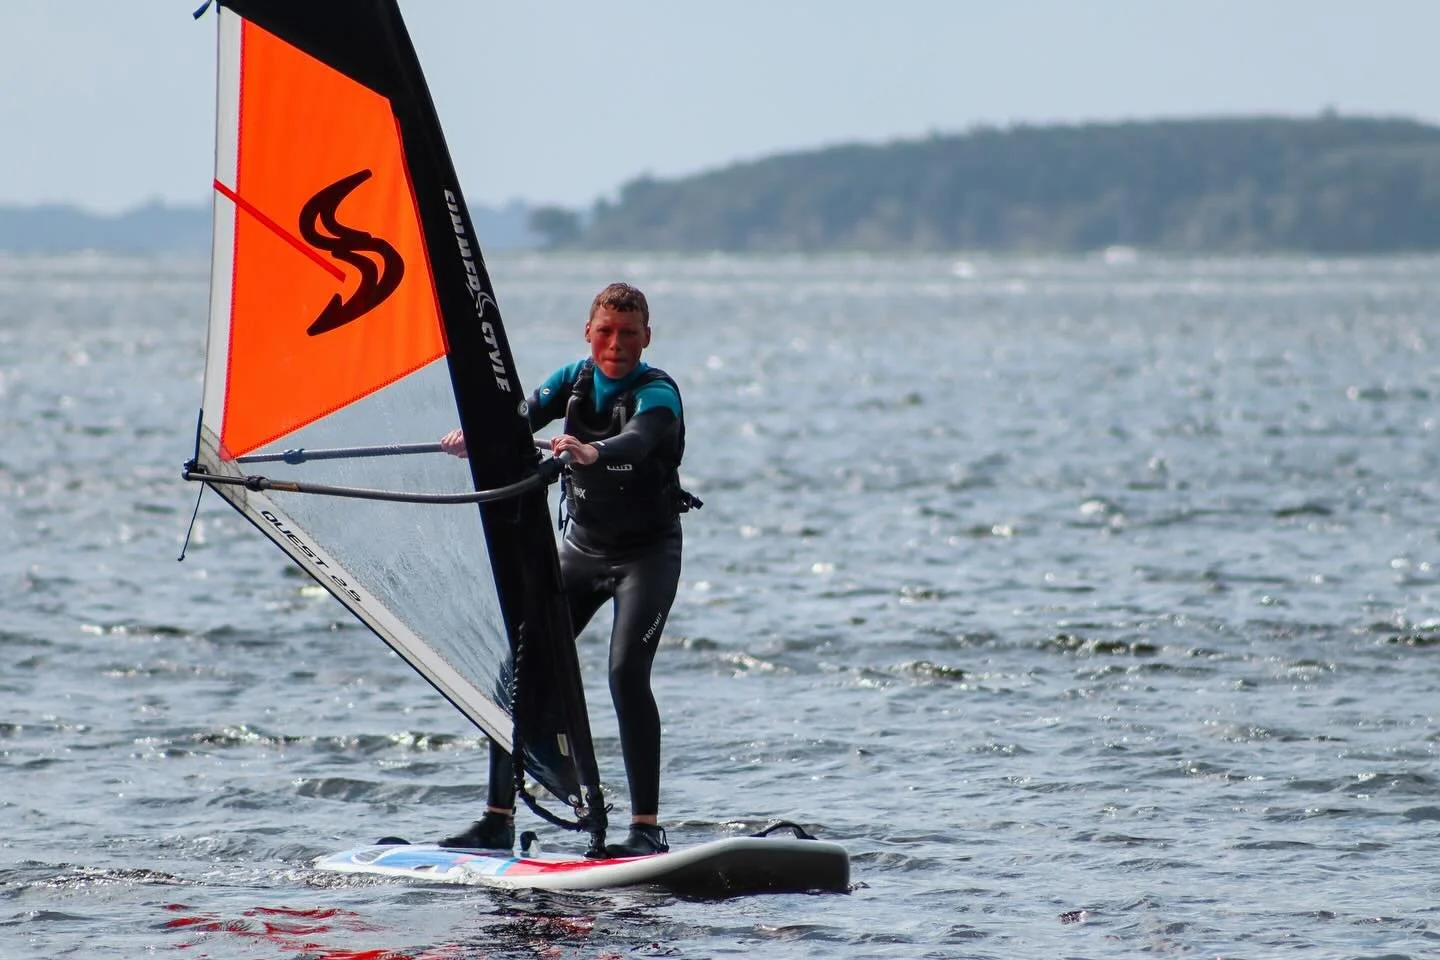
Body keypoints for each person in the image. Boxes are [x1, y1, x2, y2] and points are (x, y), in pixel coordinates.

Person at [436, 282, 696, 858]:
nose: (616, 343)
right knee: (518, 673)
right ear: (589, 332)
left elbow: (638, 440)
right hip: (581, 551)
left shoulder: (659, 394)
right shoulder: (572, 379)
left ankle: (645, 828)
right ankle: (496, 817)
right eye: (606, 331)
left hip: (645, 557)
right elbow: (516, 418)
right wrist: (477, 438)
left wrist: (591, 452)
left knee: (626, 673)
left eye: (629, 333)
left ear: (646, 338)